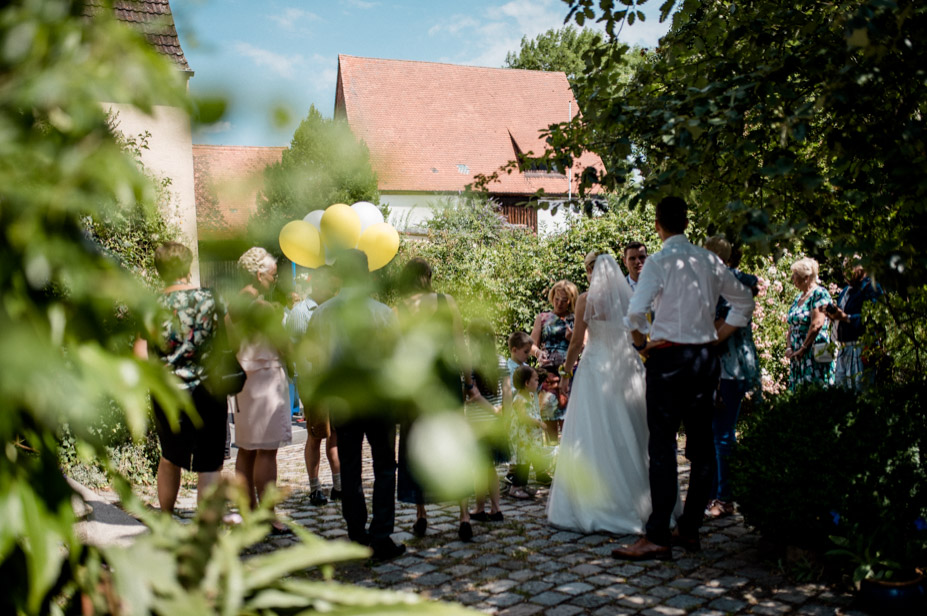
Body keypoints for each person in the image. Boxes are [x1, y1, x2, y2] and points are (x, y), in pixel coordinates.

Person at [613, 196, 754, 561]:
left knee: (662, 445)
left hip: (669, 359)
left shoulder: (659, 261)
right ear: (686, 222)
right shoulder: (709, 260)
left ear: (658, 225)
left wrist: (643, 345)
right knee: (702, 445)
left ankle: (658, 534)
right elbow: (744, 301)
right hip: (704, 360)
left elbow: (634, 312)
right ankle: (689, 528)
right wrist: (718, 334)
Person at [548, 253, 670, 534]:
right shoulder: (628, 298)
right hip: (625, 367)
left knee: (591, 433)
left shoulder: (585, 300)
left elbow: (577, 341)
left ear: (591, 272)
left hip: (594, 370)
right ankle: (640, 501)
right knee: (631, 432)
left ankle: (595, 502)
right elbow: (640, 333)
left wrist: (566, 374)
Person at [306, 249, 405, 560]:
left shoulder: (323, 313)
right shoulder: (383, 313)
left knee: (350, 466)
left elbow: (313, 356)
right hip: (379, 399)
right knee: (385, 468)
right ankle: (382, 534)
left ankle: (356, 531)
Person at [135, 242, 226, 515]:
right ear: (188, 267)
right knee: (210, 463)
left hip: (168, 393)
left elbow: (140, 355)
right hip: (209, 390)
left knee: (170, 457)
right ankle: (207, 528)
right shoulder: (210, 299)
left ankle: (165, 518)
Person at [395, 257, 481, 542]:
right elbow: (461, 346)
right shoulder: (447, 302)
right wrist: (469, 383)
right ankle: (464, 515)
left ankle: (421, 514)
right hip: (445, 382)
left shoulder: (400, 309)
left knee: (415, 445)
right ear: (429, 276)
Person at [231, 247, 293, 534]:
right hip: (267, 378)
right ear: (259, 274)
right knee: (267, 452)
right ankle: (268, 515)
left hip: (242, 380)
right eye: (273, 274)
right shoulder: (262, 308)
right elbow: (282, 343)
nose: (275, 279)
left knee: (245, 450)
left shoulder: (232, 306)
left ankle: (248, 512)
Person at [703, 236, 761, 519]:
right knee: (714, 432)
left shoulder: (731, 286)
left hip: (730, 367)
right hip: (715, 369)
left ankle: (725, 498)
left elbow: (716, 330)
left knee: (723, 433)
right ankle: (715, 493)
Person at [289, 266, 341, 507]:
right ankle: (314, 487)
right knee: (316, 435)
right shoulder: (301, 312)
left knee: (337, 434)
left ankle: (339, 486)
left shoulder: (336, 308)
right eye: (332, 283)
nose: (335, 288)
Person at [464, 320, 510, 524]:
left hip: (477, 423)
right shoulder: (501, 361)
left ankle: (481, 507)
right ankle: (495, 508)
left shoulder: (469, 365)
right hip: (496, 422)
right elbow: (507, 392)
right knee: (490, 467)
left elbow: (473, 393)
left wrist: (491, 410)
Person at [530, 280, 577, 441]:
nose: (559, 303)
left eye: (564, 300)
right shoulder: (542, 318)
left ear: (570, 300)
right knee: (548, 419)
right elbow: (531, 345)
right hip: (548, 376)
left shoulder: (576, 319)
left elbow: (585, 346)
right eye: (557, 299)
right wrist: (538, 354)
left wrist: (572, 339)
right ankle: (550, 463)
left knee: (569, 421)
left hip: (569, 375)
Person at [827, 261, 882, 390]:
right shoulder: (845, 291)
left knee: (861, 389)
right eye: (844, 268)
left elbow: (873, 318)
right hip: (844, 348)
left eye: (849, 267)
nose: (845, 271)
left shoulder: (871, 287)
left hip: (861, 347)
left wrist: (845, 317)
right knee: (842, 389)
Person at [784, 257, 835, 390]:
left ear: (806, 277)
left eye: (795, 275)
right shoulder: (798, 298)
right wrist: (790, 347)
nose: (792, 278)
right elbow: (791, 325)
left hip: (814, 351)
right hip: (798, 355)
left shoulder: (819, 294)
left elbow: (817, 324)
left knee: (816, 392)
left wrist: (803, 348)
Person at [509, 365, 553, 500]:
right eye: (535, 380)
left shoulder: (529, 396)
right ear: (527, 383)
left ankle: (523, 486)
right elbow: (523, 418)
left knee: (527, 462)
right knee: (523, 463)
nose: (538, 382)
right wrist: (538, 423)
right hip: (523, 439)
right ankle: (515, 488)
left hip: (529, 438)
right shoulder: (520, 400)